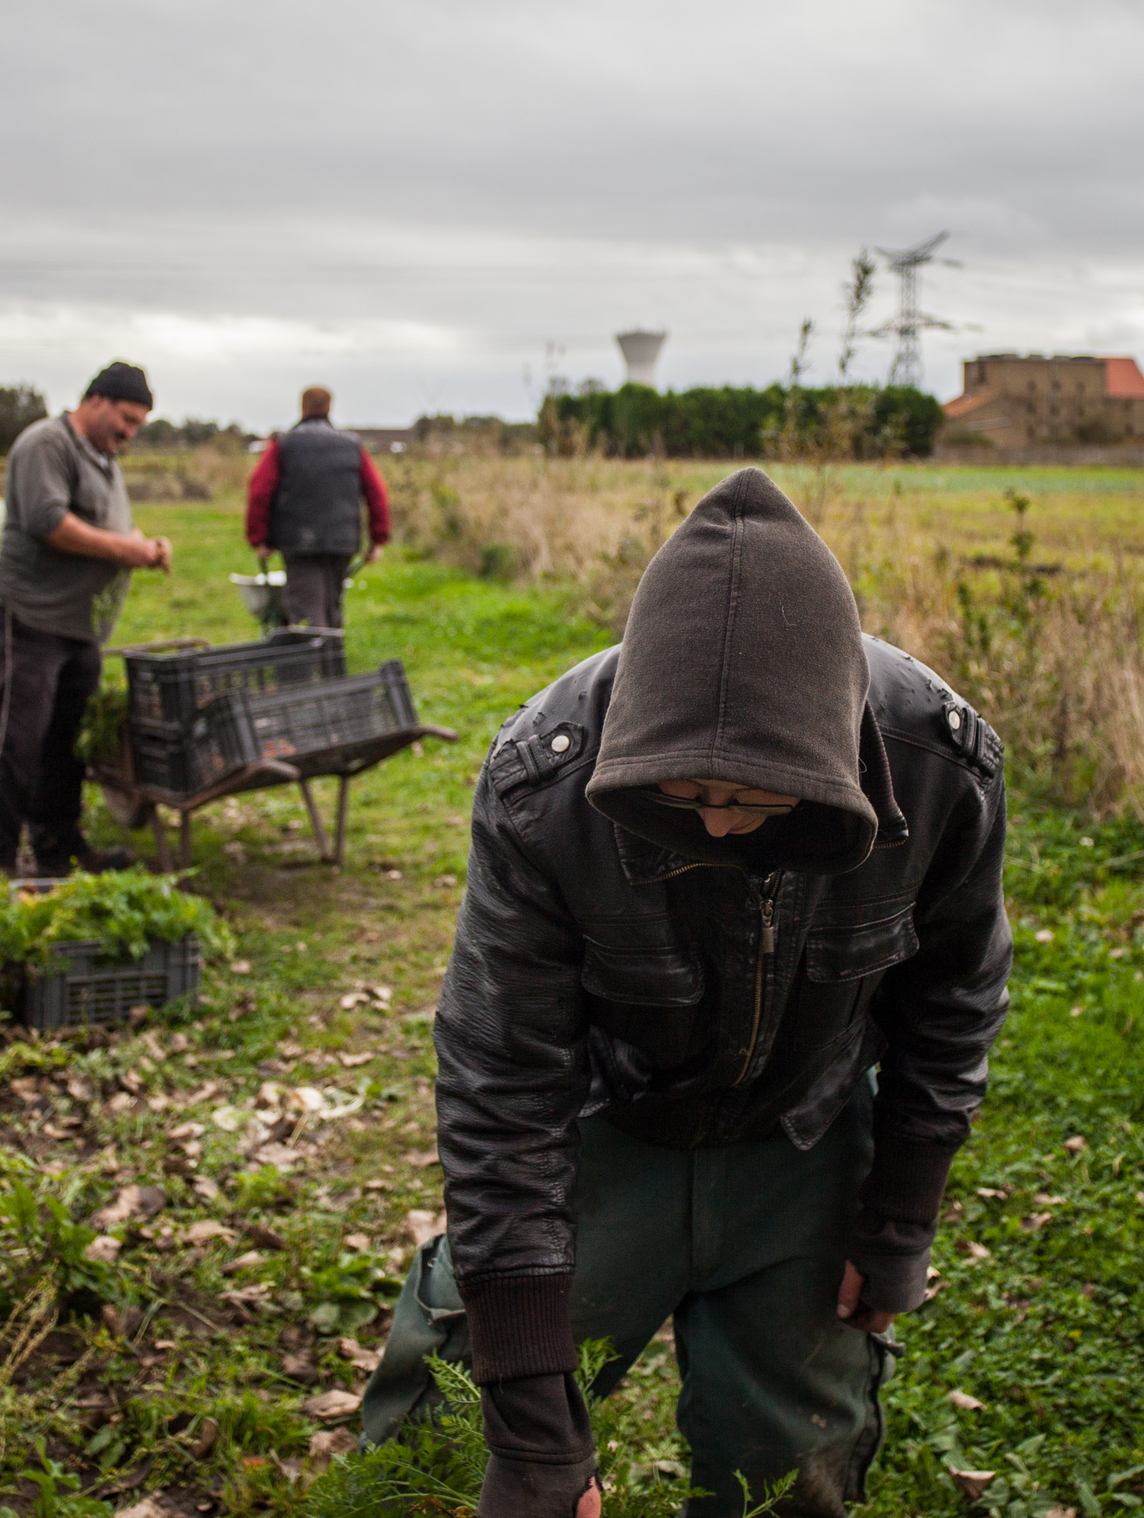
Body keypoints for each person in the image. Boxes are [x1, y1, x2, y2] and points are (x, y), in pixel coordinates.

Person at [361, 468, 1012, 1517]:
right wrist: (533, 1426)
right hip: (607, 1117)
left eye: (749, 799)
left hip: (803, 1133)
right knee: (444, 1427)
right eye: (686, 793)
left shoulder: (937, 765)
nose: (713, 824)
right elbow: (500, 1070)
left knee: (791, 1469)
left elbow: (955, 997)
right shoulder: (545, 780)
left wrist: (897, 1216)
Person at [0, 361, 173, 877]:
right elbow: (49, 522)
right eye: (125, 419)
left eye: (138, 426)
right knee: (17, 738)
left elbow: (105, 523)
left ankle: (58, 852)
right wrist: (127, 550)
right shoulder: (46, 444)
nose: (129, 433)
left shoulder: (103, 456)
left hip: (77, 628)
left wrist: (144, 544)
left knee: (67, 744)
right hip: (28, 617)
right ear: (96, 400)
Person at [242, 385, 392, 630]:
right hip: (342, 542)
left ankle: (306, 666)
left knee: (306, 613)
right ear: (329, 407)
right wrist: (378, 539)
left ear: (302, 407)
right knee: (332, 609)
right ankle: (332, 664)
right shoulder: (352, 445)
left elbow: (259, 490)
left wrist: (259, 538)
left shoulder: (284, 444)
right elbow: (376, 492)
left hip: (299, 543)